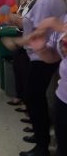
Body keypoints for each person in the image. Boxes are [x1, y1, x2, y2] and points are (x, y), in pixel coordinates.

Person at [18, 0, 67, 156]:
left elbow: (38, 28)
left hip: (42, 54)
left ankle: (42, 144)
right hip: (47, 52)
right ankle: (40, 135)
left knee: (34, 97)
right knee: (37, 96)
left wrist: (20, 26)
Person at [28, 17, 67, 156]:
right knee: (62, 147)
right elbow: (55, 56)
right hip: (63, 97)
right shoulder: (64, 19)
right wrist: (41, 48)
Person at [6, 0, 38, 108]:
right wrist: (14, 18)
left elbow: (27, 21)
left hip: (29, 38)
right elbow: (20, 17)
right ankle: (19, 96)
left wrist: (17, 19)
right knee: (17, 67)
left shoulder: (37, 2)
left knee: (25, 71)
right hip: (19, 34)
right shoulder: (26, 2)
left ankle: (26, 100)